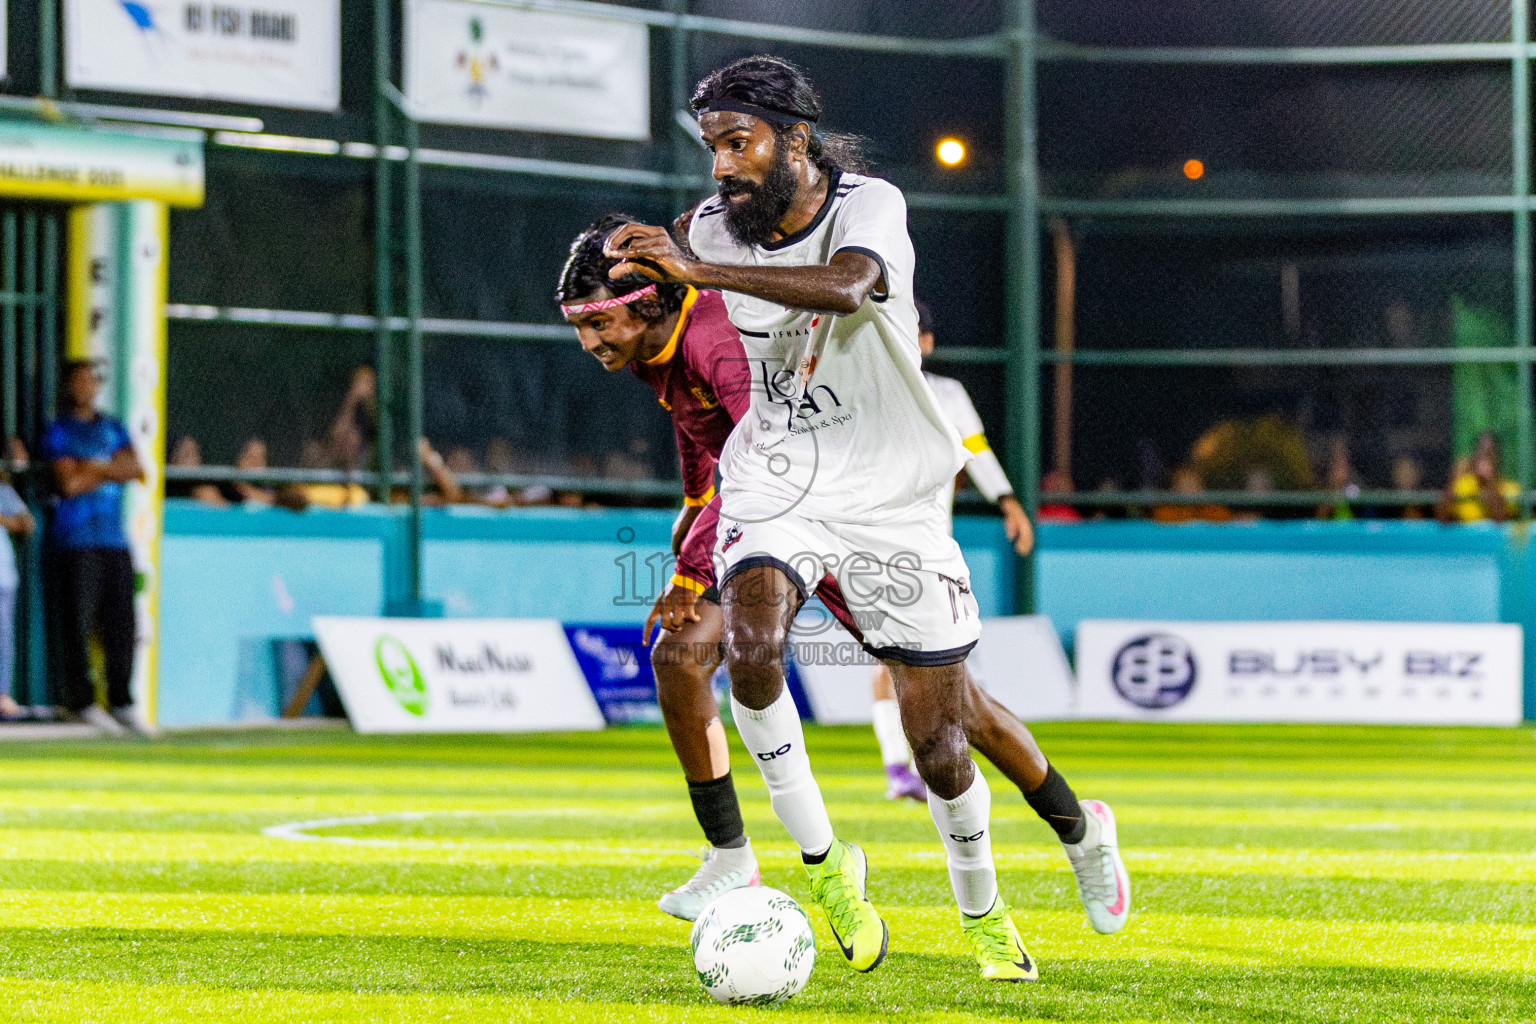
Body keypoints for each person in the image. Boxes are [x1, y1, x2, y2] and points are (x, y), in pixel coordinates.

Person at [603, 56, 1129, 981]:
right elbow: (670, 323)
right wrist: (621, 281)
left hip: (894, 492)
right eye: (711, 147)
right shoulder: (711, 227)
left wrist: (690, 264)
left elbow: (848, 286)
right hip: (781, 477)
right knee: (751, 644)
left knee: (942, 740)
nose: (721, 166)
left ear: (794, 139)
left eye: (738, 143)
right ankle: (823, 866)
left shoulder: (869, 205)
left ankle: (1028, 878)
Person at [870, 299, 1037, 802]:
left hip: (932, 546)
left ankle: (918, 766)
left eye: (915, 331)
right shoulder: (865, 387)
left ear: (927, 341)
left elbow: (976, 451)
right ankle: (901, 769)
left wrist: (1008, 501)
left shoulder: (947, 393)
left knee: (925, 659)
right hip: (872, 542)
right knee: (887, 657)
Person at [42, 360, 148, 737]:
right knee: (78, 623)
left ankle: (121, 702)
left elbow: (136, 469)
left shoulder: (112, 426)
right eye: (79, 381)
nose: (86, 388)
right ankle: (81, 702)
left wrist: (92, 468)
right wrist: (107, 468)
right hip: (76, 540)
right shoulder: (59, 431)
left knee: (121, 624)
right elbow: (67, 485)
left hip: (114, 540)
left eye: (92, 381)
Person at [0, 439, 34, 720]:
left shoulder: (2, 491)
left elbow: (26, 523)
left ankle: (2, 695)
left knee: (3, 637)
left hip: (3, 578)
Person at [1437, 432, 1519, 523]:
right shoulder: (1463, 486)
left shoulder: (1510, 489)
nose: (1485, 459)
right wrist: (1454, 477)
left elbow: (1500, 522)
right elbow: (1442, 518)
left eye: (1489, 454)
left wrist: (1489, 483)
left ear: (1497, 458)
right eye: (1481, 453)